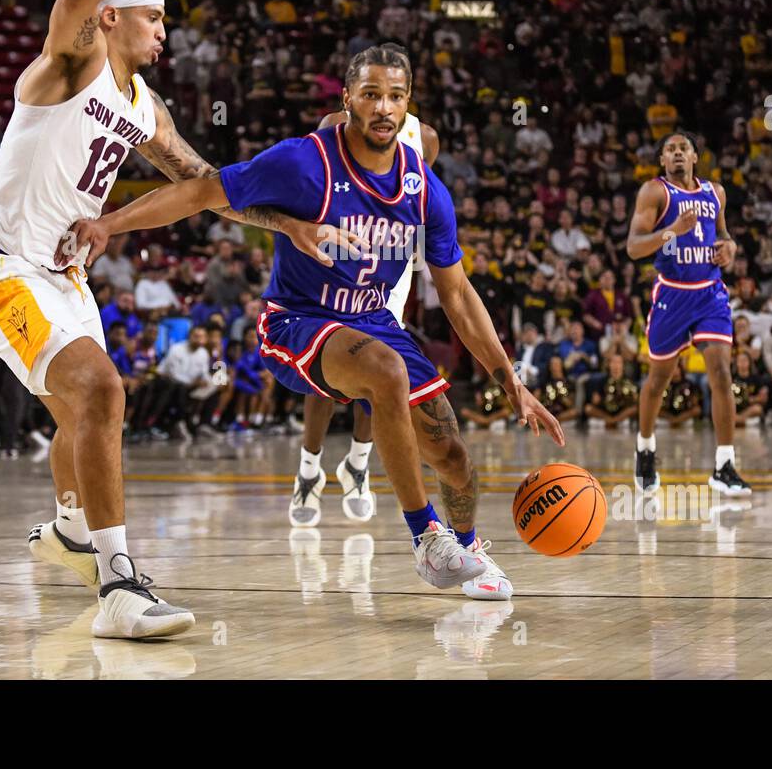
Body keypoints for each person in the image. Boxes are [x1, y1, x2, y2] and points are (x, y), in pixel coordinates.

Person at [0, 0, 345, 642]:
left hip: (64, 279)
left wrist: (289, 227)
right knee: (101, 394)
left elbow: (206, 183)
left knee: (82, 417)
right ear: (111, 19)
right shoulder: (71, 62)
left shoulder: (145, 107)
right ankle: (118, 586)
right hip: (4, 267)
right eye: (154, 19)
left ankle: (72, 532)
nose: (166, 31)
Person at [61, 43, 565, 603]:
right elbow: (201, 192)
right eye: (370, 94)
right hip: (296, 321)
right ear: (347, 98)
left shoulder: (425, 189)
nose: (382, 107)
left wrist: (510, 381)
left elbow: (458, 294)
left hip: (373, 320)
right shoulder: (304, 162)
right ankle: (426, 536)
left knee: (456, 459)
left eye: (395, 96)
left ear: (408, 105)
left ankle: (468, 552)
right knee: (387, 372)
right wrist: (113, 222)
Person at [285, 106, 440, 529]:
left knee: (382, 375)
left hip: (390, 265)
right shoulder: (332, 126)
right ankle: (309, 467)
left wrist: (420, 257)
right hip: (340, 251)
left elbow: (418, 205)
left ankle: (357, 464)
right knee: (327, 371)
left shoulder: (424, 138)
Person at [627, 131, 750, 497]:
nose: (678, 154)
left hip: (710, 294)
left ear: (695, 156)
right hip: (673, 297)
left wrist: (730, 249)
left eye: (683, 148)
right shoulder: (655, 192)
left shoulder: (716, 193)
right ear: (663, 160)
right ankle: (645, 448)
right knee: (658, 381)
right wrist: (671, 231)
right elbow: (634, 247)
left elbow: (725, 235)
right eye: (670, 150)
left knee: (722, 371)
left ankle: (724, 465)